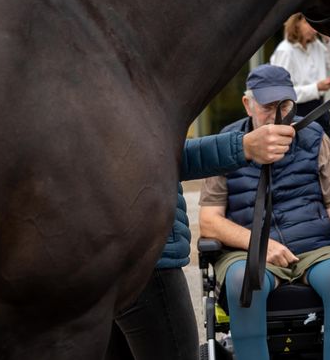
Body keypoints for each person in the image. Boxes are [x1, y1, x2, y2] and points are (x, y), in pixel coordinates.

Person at [198, 64, 330, 359]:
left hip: (315, 248)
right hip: (249, 253)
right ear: (248, 104)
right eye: (268, 106)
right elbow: (208, 222)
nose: (279, 114)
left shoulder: (315, 137)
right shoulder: (226, 146)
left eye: (286, 105)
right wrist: (261, 246)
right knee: (245, 280)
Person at [106, 124, 295, 360]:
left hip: (89, 256)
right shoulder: (120, 96)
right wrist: (243, 146)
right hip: (143, 257)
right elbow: (158, 155)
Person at [269, 13, 330, 203]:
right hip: (294, 114)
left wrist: (329, 39)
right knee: (300, 169)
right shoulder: (285, 51)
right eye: (309, 22)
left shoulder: (318, 46)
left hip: (320, 110)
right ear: (297, 22)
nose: (314, 27)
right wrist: (316, 88)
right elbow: (281, 93)